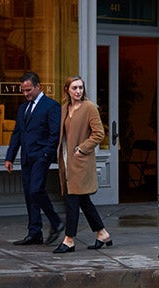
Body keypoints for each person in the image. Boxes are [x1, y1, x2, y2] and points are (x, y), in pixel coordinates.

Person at [52, 76, 112, 254]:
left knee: (72, 200)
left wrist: (81, 149)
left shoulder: (89, 108)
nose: (78, 91)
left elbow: (99, 134)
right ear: (67, 90)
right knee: (84, 201)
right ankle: (102, 233)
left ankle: (69, 239)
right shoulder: (64, 109)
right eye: (74, 88)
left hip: (80, 161)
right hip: (66, 160)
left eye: (80, 88)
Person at [5, 71, 64, 245]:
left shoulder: (51, 106)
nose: (25, 94)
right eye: (23, 90)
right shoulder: (23, 108)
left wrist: (46, 154)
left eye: (28, 90)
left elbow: (55, 134)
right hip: (26, 157)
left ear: (39, 86)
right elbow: (17, 133)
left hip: (41, 156)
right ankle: (34, 232)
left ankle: (56, 222)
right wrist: (10, 157)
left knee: (36, 190)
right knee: (29, 195)